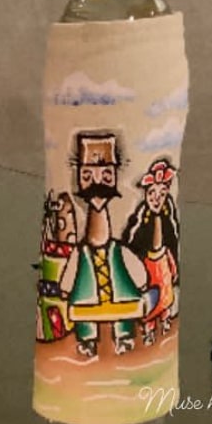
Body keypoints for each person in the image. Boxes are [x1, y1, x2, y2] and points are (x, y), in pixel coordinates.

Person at [58, 133, 155, 358]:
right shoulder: (81, 253)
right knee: (84, 312)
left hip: (121, 297)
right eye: (87, 175)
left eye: (106, 175)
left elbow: (134, 266)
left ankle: (124, 336)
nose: (97, 182)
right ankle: (87, 339)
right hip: (87, 299)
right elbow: (70, 270)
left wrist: (142, 282)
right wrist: (65, 288)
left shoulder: (119, 251)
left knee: (125, 309)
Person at [123, 158, 180, 345]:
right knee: (149, 299)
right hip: (147, 265)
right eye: (152, 193)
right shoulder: (141, 217)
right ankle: (148, 330)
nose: (157, 198)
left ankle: (165, 320)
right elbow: (130, 241)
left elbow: (172, 240)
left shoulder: (168, 216)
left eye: (162, 194)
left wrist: (174, 267)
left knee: (165, 296)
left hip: (163, 262)